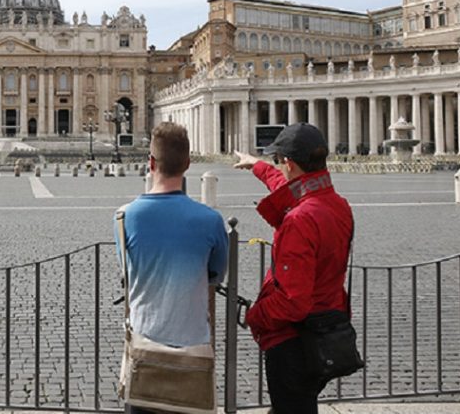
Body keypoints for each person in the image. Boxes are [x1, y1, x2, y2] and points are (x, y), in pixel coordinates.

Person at [233, 123, 354, 414]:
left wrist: (254, 316)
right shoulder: (337, 204)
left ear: (288, 162)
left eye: (279, 161)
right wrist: (257, 166)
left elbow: (292, 302)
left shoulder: (299, 220)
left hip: (294, 341)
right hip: (328, 330)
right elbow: (288, 188)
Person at [115, 122, 228, 414]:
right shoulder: (211, 221)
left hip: (144, 348)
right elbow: (216, 274)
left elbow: (127, 273)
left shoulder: (125, 218)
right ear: (188, 164)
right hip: (193, 349)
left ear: (150, 162)